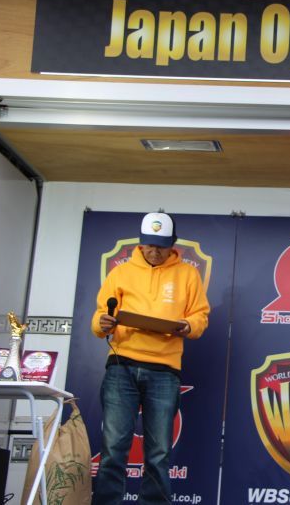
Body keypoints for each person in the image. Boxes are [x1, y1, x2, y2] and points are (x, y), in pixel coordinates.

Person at [90, 212, 210, 505]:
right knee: (113, 449)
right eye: (150, 245)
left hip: (165, 371)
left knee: (158, 454)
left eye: (161, 245)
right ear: (140, 243)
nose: (155, 251)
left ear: (172, 244)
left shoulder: (188, 274)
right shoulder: (120, 273)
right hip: (121, 365)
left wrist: (188, 326)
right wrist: (102, 323)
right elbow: (100, 316)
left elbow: (200, 316)